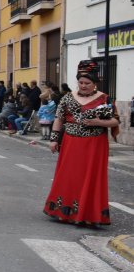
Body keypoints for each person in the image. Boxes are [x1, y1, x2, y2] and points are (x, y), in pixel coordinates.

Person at [44, 60, 119, 226]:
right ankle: (64, 211)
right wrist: (54, 139)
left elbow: (115, 121)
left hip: (95, 145)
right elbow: (58, 119)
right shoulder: (67, 98)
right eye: (80, 82)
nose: (83, 86)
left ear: (95, 83)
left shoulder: (104, 99)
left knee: (91, 177)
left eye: (87, 83)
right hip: (71, 143)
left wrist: (98, 123)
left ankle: (88, 213)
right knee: (70, 175)